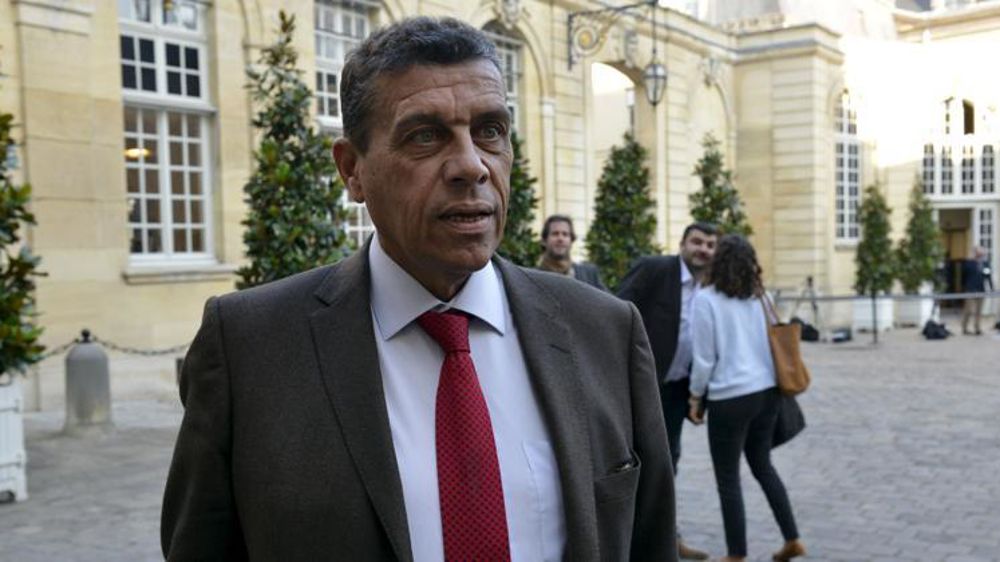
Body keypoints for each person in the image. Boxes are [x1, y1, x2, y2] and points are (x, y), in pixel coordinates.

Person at [161, 17, 677, 561]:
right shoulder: (250, 347)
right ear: (352, 170)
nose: (471, 166)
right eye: (425, 136)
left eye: (490, 131)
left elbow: (648, 540)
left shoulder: (605, 330)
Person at [687, 235, 805, 562]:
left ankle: (736, 554)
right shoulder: (759, 298)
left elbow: (705, 359)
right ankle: (792, 537)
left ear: (718, 262)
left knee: (728, 478)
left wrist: (695, 398)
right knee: (763, 466)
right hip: (766, 393)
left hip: (730, 397)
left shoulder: (706, 300)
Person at [617, 221, 718, 561]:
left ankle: (666, 538)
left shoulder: (711, 287)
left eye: (709, 244)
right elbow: (616, 312)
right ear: (682, 243)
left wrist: (699, 395)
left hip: (677, 391)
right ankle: (623, 537)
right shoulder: (656, 268)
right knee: (628, 460)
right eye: (697, 242)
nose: (703, 249)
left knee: (667, 461)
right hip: (640, 386)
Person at [537, 214, 607, 290]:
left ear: (571, 241)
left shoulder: (589, 274)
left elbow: (609, 301)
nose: (560, 238)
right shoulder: (534, 277)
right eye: (555, 234)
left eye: (565, 234)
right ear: (544, 241)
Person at [961, 246, 994, 335]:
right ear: (975, 253)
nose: (980, 255)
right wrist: (963, 287)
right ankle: (964, 327)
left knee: (979, 310)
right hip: (970, 289)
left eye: (981, 253)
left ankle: (977, 328)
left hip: (980, 289)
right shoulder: (969, 263)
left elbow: (988, 276)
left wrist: (991, 288)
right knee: (968, 310)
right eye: (978, 253)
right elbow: (963, 275)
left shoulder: (985, 263)